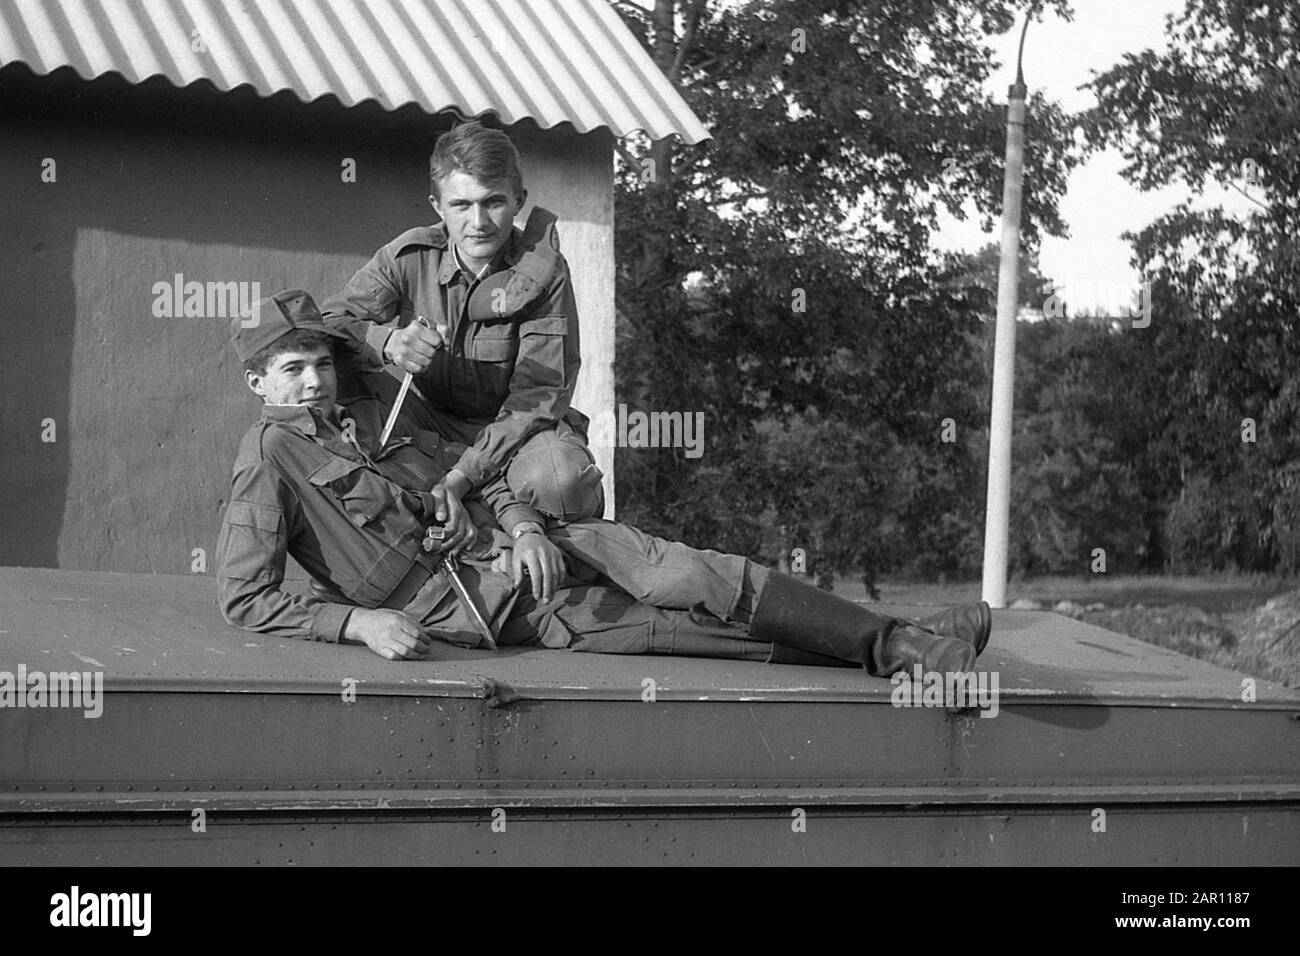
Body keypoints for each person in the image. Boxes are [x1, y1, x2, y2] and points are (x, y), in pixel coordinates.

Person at [217, 290, 992, 676]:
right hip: (487, 610)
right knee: (686, 633)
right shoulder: (269, 457)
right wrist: (356, 626)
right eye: (294, 368)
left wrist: (517, 524)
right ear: (259, 381)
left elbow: (475, 475)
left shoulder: (376, 413)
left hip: (533, 548)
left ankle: (906, 641)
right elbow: (244, 597)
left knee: (699, 573)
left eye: (322, 362)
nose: (316, 379)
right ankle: (905, 648)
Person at [320, 120, 603, 525]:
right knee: (337, 383)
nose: (479, 221)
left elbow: (537, 396)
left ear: (519, 200)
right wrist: (387, 342)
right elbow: (328, 323)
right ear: (437, 206)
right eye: (461, 205)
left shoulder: (545, 275)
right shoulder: (408, 256)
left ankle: (550, 548)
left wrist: (465, 474)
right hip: (429, 421)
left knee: (561, 484)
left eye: (493, 202)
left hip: (519, 430)